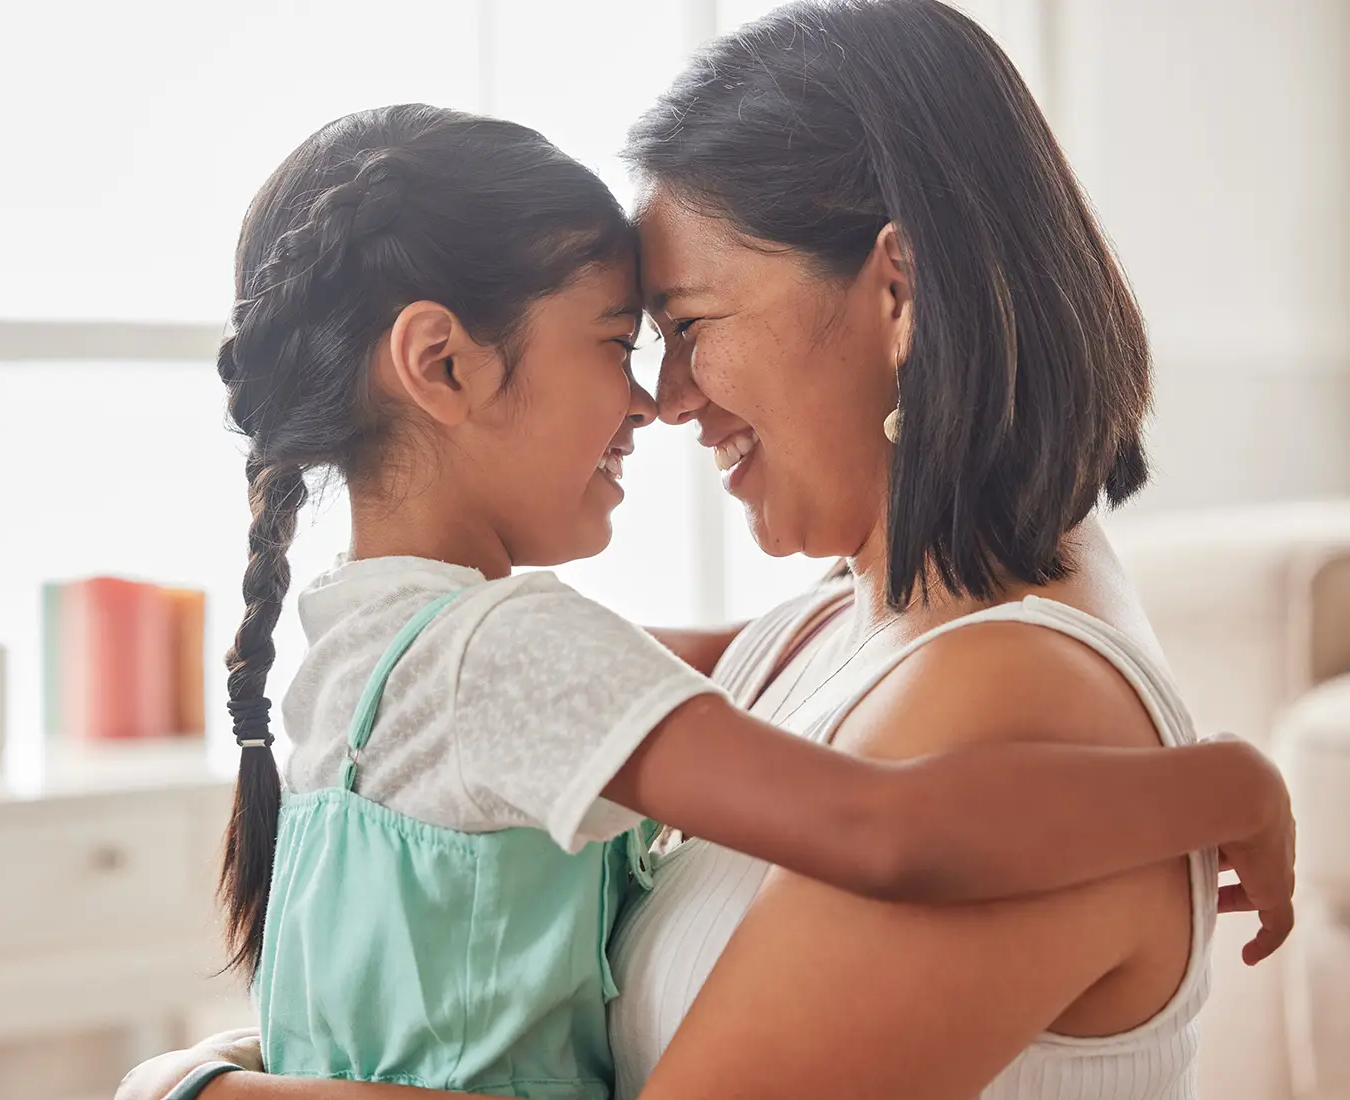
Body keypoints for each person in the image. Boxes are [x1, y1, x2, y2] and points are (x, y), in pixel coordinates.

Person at [119, 7, 1294, 1098]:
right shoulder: (823, 625)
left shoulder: (1014, 700)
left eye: (685, 326)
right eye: (630, 339)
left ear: (901, 290)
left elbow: (889, 827)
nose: (666, 399)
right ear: (437, 367)